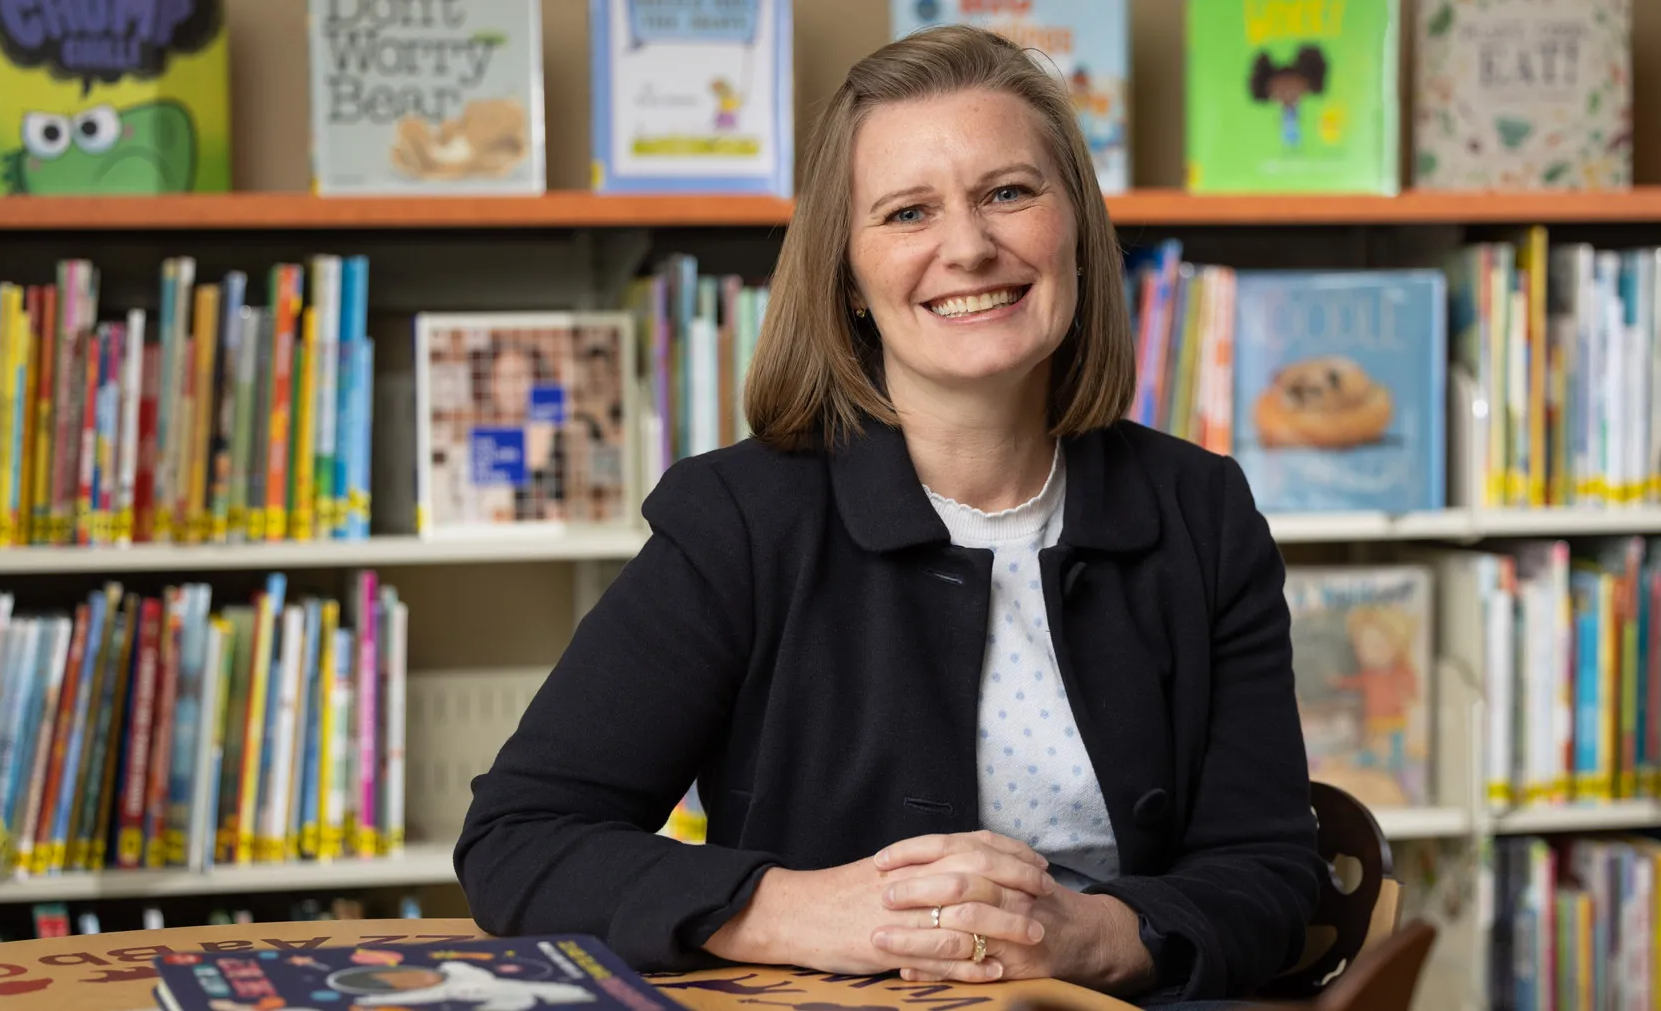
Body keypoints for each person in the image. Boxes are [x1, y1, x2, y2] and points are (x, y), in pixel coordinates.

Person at [455, 24, 1323, 1009]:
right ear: (849, 278)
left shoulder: (1198, 510)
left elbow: (1265, 867)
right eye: (907, 212)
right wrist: (807, 911)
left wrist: (1090, 937)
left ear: (1073, 226)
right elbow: (519, 842)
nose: (967, 247)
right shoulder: (739, 519)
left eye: (1008, 193)